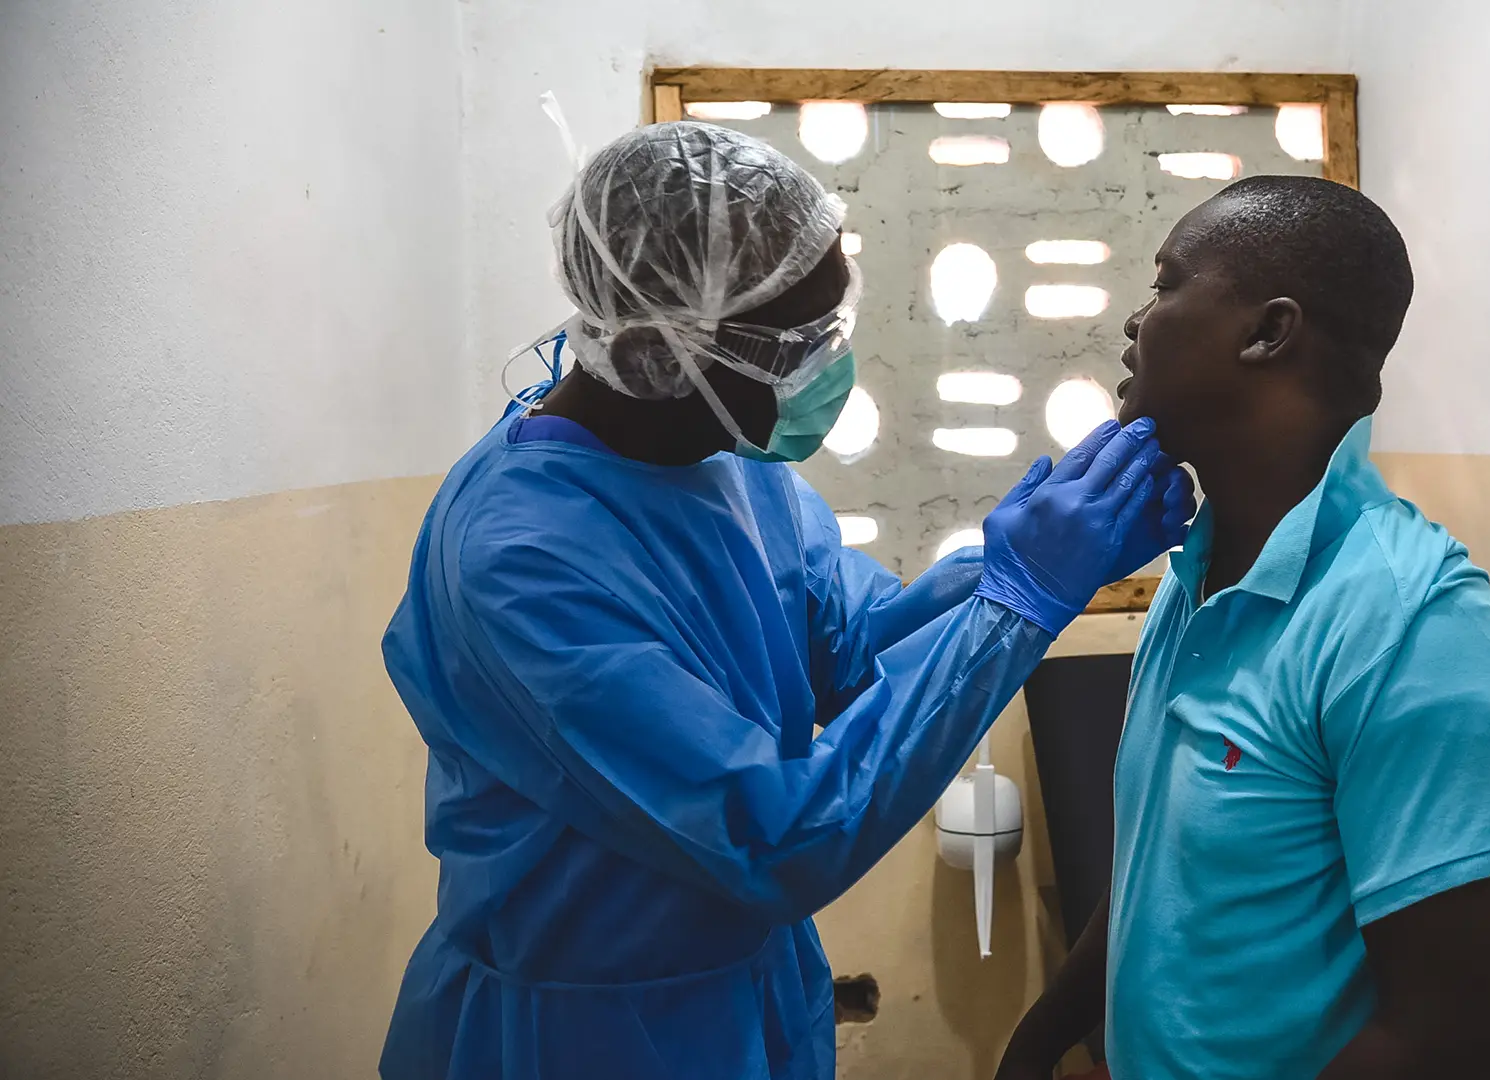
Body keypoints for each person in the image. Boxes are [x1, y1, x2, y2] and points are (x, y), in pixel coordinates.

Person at [377, 121, 1194, 1080]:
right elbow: (779, 834)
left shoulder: (720, 461)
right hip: (581, 1034)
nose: (827, 367)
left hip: (746, 997)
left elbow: (846, 650)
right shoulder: (523, 558)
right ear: (667, 348)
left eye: (830, 331)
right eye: (799, 344)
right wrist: (1018, 607)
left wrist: (1015, 563)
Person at [995, 175, 1490, 1080]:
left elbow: (1462, 1048)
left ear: (1268, 332)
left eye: (1166, 284)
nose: (1136, 323)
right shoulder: (1199, 575)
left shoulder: (1413, 634)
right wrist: (1039, 1038)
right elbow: (1164, 862)